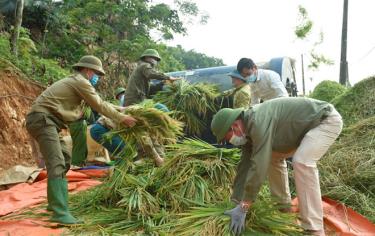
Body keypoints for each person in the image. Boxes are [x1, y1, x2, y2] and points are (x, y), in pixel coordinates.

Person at [26, 55, 136, 225]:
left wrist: (122, 109)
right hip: (42, 120)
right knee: (57, 162)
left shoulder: (78, 83)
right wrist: (122, 118)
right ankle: (60, 212)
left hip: (49, 122)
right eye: (97, 74)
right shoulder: (80, 81)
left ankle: (54, 203)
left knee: (65, 158)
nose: (97, 78)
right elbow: (99, 105)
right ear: (87, 70)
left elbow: (99, 102)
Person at [210, 97, 343, 236]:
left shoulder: (257, 121)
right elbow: (245, 166)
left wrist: (244, 206)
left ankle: (314, 228)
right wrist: (235, 201)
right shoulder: (247, 132)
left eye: (227, 137)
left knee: (302, 162)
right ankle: (283, 209)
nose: (230, 141)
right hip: (299, 132)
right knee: (272, 158)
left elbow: (258, 166)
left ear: (235, 126)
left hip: (324, 121)